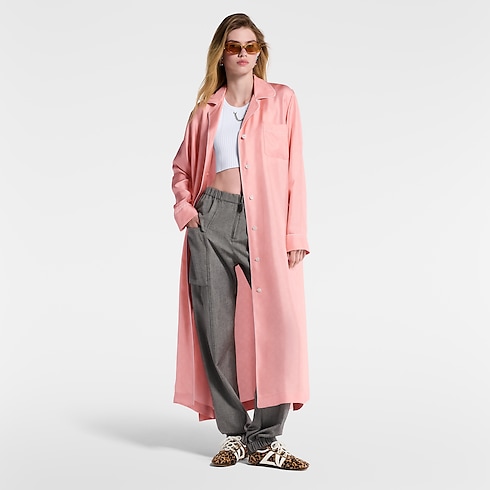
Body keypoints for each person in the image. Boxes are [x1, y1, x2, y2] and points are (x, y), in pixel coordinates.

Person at [171, 12, 310, 470]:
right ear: (222, 54)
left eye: (251, 46)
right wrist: (188, 213)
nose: (243, 54)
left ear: (260, 52)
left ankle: (265, 439)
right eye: (235, 46)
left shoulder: (282, 100)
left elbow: (295, 170)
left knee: (282, 326)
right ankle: (234, 434)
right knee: (215, 331)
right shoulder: (204, 112)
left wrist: (295, 232)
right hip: (211, 220)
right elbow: (181, 169)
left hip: (266, 223)